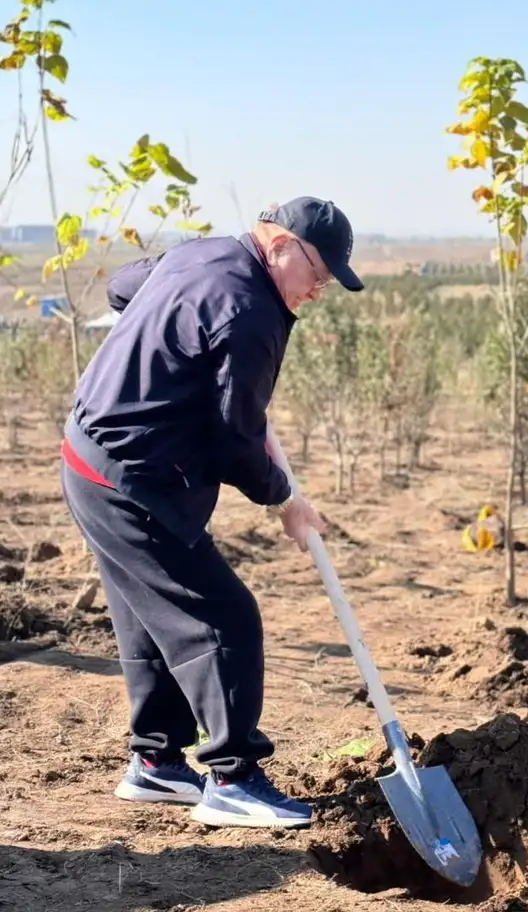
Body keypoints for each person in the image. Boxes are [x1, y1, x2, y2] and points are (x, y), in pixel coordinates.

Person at [60, 196, 364, 828]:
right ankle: (233, 778)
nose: (319, 290)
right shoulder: (251, 312)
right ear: (281, 247)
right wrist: (285, 499)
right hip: (132, 479)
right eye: (318, 273)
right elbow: (235, 440)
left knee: (151, 619)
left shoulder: (199, 254)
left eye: (330, 282)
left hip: (88, 459)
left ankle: (156, 763)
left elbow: (123, 288)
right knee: (223, 619)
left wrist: (184, 349)